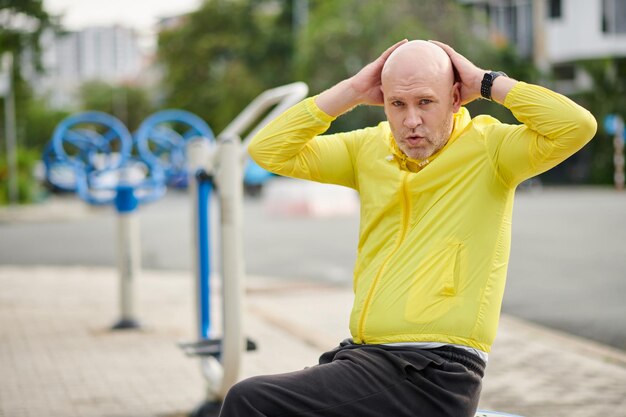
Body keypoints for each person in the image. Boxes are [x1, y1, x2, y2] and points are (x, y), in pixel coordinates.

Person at [219, 40, 597, 417]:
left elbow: (576, 126)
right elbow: (268, 150)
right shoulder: (368, 149)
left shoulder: (490, 149)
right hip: (366, 358)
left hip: (435, 370)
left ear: (455, 97)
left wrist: (485, 82)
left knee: (249, 400)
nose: (411, 120)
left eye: (425, 103)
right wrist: (350, 91)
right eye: (397, 104)